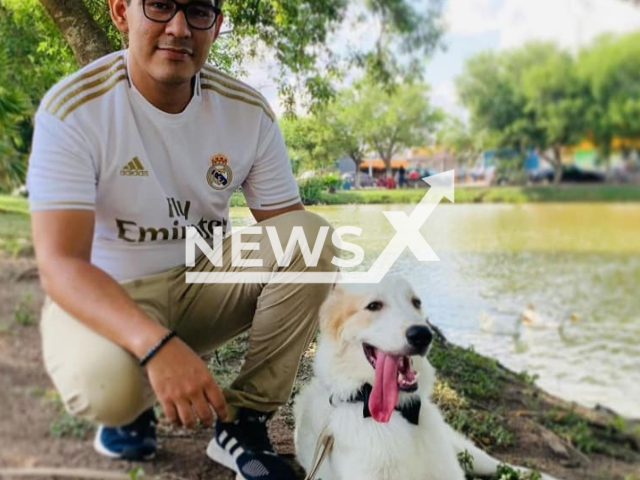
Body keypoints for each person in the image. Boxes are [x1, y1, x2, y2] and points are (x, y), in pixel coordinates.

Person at [26, 0, 337, 479]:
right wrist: (156, 346)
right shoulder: (75, 109)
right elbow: (60, 264)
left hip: (202, 284)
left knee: (312, 237)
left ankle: (245, 424)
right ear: (119, 12)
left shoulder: (247, 111)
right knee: (104, 388)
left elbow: (290, 235)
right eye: (160, 6)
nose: (178, 28)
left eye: (196, 11)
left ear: (216, 24)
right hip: (113, 294)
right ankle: (131, 408)